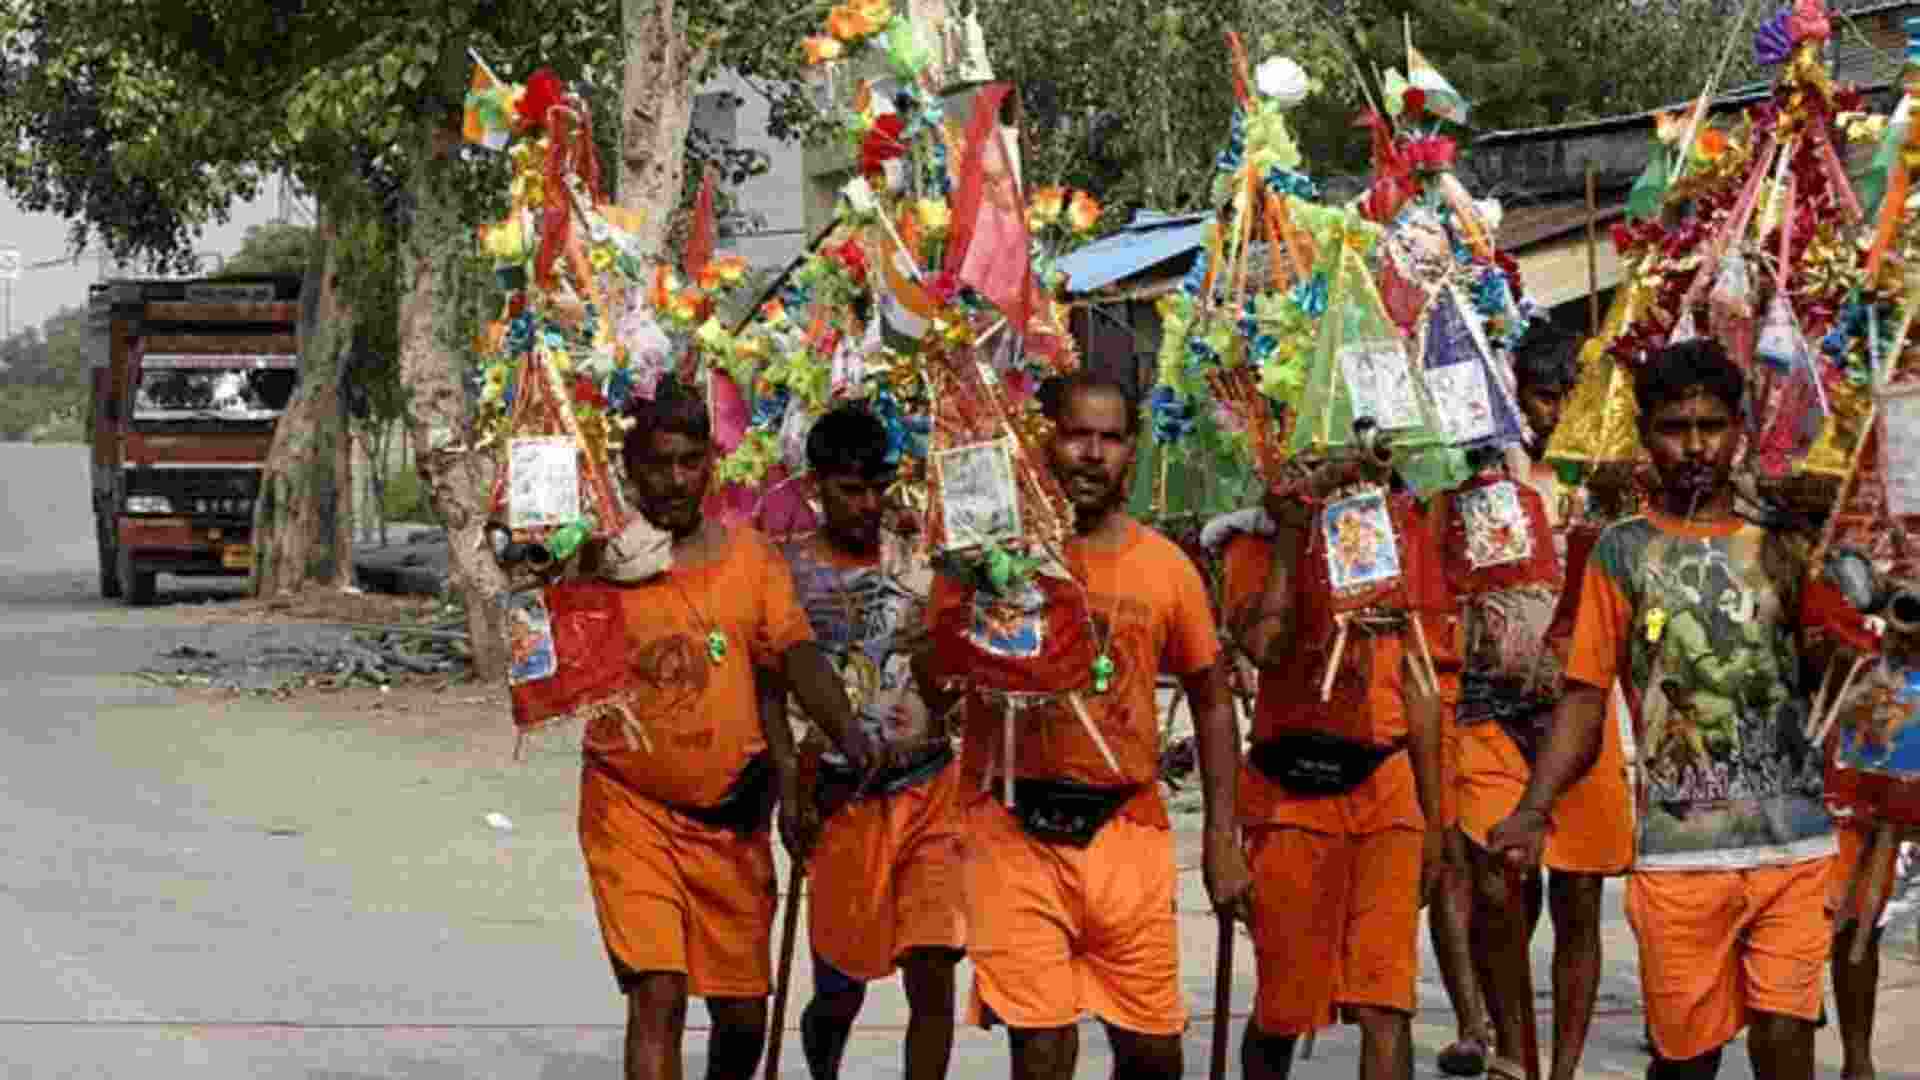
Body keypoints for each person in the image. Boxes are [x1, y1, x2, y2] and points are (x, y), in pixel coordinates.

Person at [1489, 339, 1840, 1080]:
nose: (1695, 447)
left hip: (1794, 842)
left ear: (1738, 430)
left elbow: (1825, 676)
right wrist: (1534, 806)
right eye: (1675, 428)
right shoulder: (1621, 553)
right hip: (1681, 853)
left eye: (1712, 426)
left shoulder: (1782, 545)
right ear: (1645, 434)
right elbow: (1585, 697)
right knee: (1687, 1061)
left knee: (1785, 1037)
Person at [922, 374, 1252, 1080]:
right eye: (1076, 434)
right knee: (1040, 1049)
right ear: (1042, 440)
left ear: (1132, 450)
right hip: (1012, 830)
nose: (1092, 454)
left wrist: (1225, 837)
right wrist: (974, 586)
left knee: (1154, 1053)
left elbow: (1213, 699)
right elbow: (932, 681)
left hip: (1126, 830)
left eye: (1110, 437)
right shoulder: (990, 559)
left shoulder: (1166, 567)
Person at [583, 378, 873, 1080]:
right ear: (631, 470)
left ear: (710, 467)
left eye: (689, 462)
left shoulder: (753, 562)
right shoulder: (600, 563)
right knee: (658, 994)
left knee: (742, 1021)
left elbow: (793, 661)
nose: (675, 480)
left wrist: (850, 737)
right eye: (658, 464)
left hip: (734, 820)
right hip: (632, 811)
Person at [1225, 444, 1449, 1080]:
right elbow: (1265, 645)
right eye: (1305, 460)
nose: (1322, 472)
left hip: (1385, 786)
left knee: (1385, 1006)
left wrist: (1437, 820)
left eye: (1336, 458)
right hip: (1290, 795)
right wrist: (1293, 534)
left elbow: (1419, 681)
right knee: (1285, 1010)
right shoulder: (1250, 548)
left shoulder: (1391, 537)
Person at [762, 405, 965, 1080]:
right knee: (839, 990)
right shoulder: (785, 574)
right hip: (843, 798)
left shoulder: (922, 563)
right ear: (817, 487)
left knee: (933, 965)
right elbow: (767, 685)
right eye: (851, 490)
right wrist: (789, 780)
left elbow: (950, 678)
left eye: (877, 487)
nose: (867, 504)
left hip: (930, 785)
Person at [1453, 323, 1635, 1080]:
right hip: (1492, 708)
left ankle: (1561, 1067)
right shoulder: (1485, 477)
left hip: (1581, 711)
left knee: (1580, 899)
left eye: (1570, 397)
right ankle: (1508, 1046)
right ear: (1515, 393)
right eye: (1542, 396)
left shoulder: (1611, 483)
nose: (1556, 413)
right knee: (1497, 883)